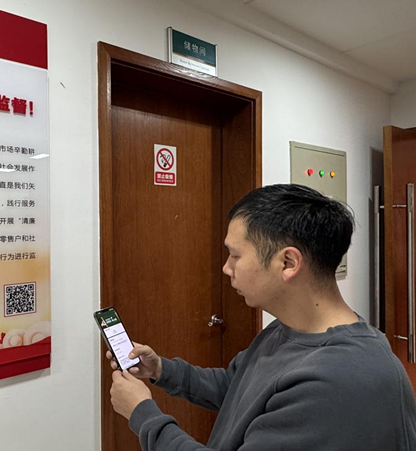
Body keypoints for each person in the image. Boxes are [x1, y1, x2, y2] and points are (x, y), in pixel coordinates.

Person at [107, 184, 416, 450]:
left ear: (288, 262)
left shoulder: (339, 380)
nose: (227, 268)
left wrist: (142, 414)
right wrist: (162, 370)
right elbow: (236, 388)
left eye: (235, 255)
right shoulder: (286, 330)